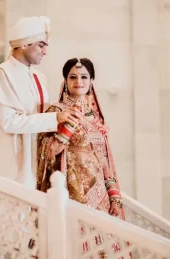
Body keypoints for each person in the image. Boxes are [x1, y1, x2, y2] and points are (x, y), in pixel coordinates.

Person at [0, 16, 83, 187]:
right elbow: (8, 122)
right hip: (13, 166)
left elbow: (43, 116)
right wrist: (55, 118)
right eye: (41, 45)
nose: (45, 52)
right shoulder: (1, 74)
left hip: (41, 163)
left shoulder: (40, 78)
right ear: (24, 44)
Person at [37, 59, 124, 217]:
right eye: (72, 77)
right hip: (71, 192)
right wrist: (67, 129)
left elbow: (104, 160)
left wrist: (114, 197)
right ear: (65, 81)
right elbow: (48, 152)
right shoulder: (57, 111)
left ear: (91, 81)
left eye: (84, 77)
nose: (79, 81)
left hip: (99, 196)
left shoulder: (96, 118)